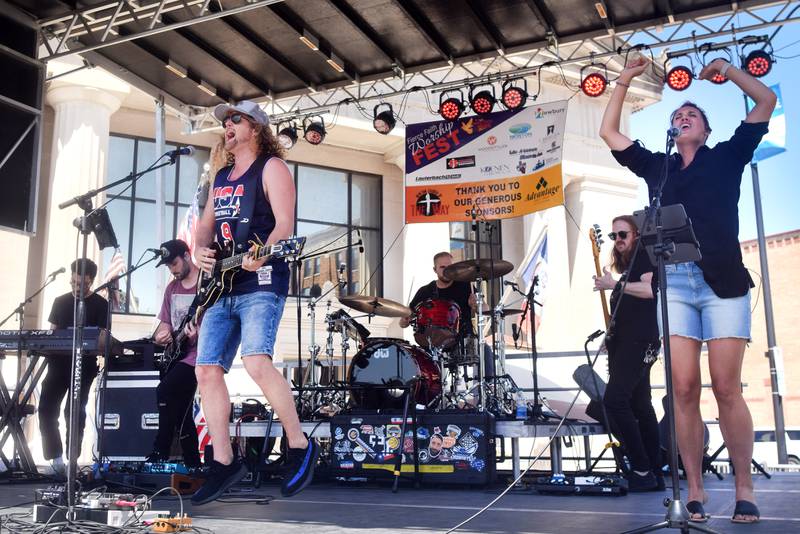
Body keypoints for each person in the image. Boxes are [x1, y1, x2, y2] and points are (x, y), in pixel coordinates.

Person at [599, 55, 776, 523]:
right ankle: (693, 489)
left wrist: (728, 72)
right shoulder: (660, 167)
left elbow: (766, 99)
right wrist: (623, 81)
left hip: (723, 282)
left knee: (725, 387)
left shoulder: (727, 156)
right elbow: (611, 135)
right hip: (674, 281)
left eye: (691, 116)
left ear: (706, 129)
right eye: (677, 116)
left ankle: (744, 488)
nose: (681, 119)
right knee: (681, 388)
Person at [191, 100, 318, 505]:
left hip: (261, 278)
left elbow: (285, 224)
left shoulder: (271, 168)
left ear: (257, 128)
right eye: (225, 121)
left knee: (256, 360)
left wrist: (267, 249)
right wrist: (199, 251)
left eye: (235, 120)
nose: (227, 126)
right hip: (222, 284)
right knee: (206, 371)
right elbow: (206, 227)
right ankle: (224, 462)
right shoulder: (222, 175)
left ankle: (299, 446)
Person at [592, 215, 661, 492]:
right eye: (614, 236)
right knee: (641, 404)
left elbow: (651, 290)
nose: (618, 240)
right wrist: (611, 336)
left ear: (635, 235)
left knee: (614, 400)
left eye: (623, 234)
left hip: (640, 342)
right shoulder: (627, 269)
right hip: (626, 342)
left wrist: (615, 285)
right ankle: (653, 472)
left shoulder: (643, 256)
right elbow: (626, 311)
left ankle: (642, 467)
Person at [39, 258, 109, 476]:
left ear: (91, 280)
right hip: (58, 363)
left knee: (74, 412)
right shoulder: (60, 302)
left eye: (81, 284)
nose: (76, 287)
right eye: (73, 283)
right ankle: (56, 459)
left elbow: (103, 339)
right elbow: (53, 333)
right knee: (46, 409)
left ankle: (72, 461)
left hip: (85, 365)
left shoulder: (101, 304)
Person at [146, 239, 202, 468]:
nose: (173, 270)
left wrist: (199, 331)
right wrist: (162, 334)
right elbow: (165, 324)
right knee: (181, 412)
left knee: (164, 393)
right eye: (168, 266)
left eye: (175, 264)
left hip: (199, 356)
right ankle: (193, 464)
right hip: (177, 356)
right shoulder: (172, 288)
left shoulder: (205, 284)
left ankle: (160, 450)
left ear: (187, 256)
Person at [400, 251, 477, 339]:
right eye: (442, 267)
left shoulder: (465, 285)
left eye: (449, 267)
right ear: (434, 269)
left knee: (487, 352)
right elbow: (403, 323)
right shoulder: (425, 291)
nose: (446, 270)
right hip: (433, 343)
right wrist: (404, 320)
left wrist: (477, 305)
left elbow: (485, 309)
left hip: (465, 341)